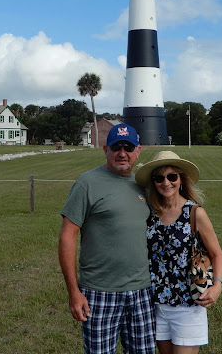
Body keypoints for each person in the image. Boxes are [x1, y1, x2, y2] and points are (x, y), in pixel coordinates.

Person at [59, 123, 156, 354]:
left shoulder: (144, 186)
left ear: (138, 151)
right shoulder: (87, 183)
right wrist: (74, 292)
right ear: (105, 150)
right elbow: (67, 236)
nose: (122, 153)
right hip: (99, 293)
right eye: (116, 147)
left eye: (128, 147)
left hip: (142, 292)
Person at [135, 151, 222, 354]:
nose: (166, 182)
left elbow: (217, 253)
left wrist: (218, 285)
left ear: (181, 180)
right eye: (159, 178)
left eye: (172, 176)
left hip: (187, 305)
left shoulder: (195, 213)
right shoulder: (149, 213)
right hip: (156, 303)